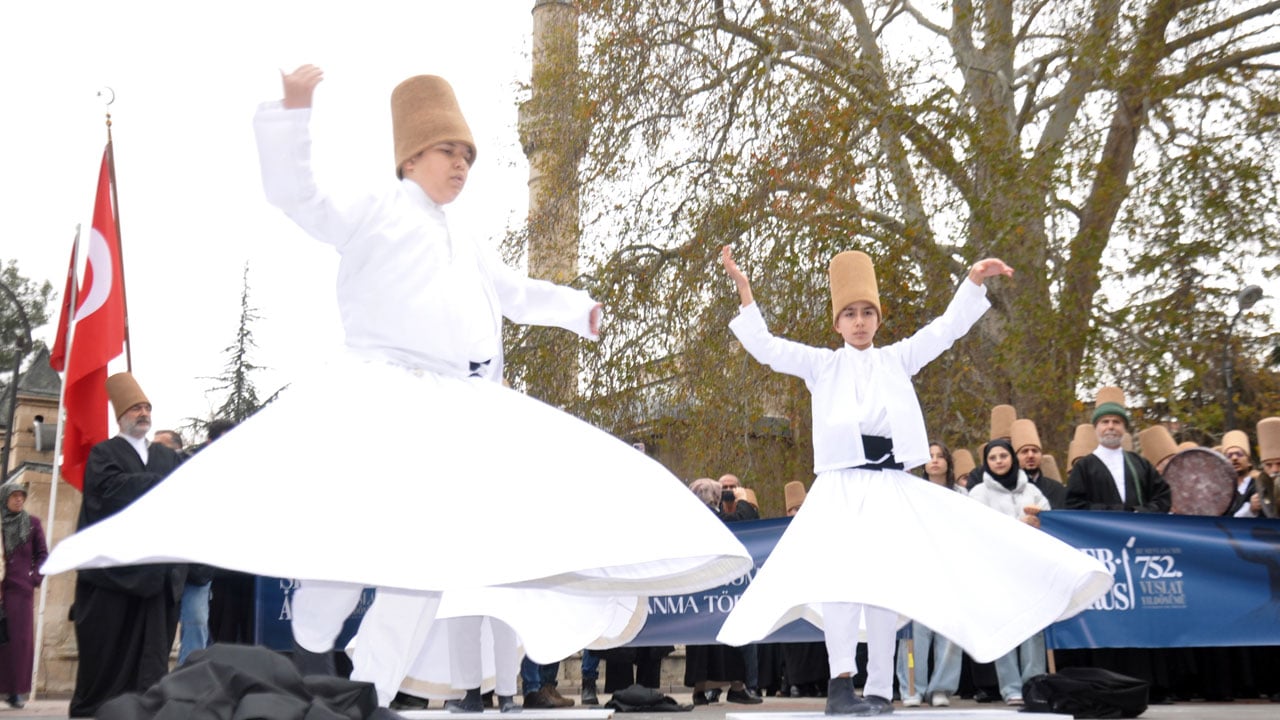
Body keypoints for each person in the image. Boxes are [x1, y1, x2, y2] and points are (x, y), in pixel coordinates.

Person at [42, 67, 752, 708]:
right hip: (378, 391)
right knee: (357, 521)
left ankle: (370, 687)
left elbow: (515, 292)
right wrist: (293, 113)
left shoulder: (467, 239)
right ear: (412, 156)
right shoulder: (377, 206)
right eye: (449, 152)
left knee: (434, 554)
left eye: (469, 156)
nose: (462, 166)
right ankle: (316, 634)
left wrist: (577, 308)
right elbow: (302, 196)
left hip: (455, 406)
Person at [715, 246, 1111, 715]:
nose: (859, 322)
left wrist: (973, 282)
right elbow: (767, 347)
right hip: (841, 488)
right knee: (839, 587)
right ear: (837, 324)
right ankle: (841, 686)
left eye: (867, 313)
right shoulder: (822, 366)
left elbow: (944, 330)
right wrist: (744, 289)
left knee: (886, 587)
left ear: (877, 320)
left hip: (888, 487)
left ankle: (880, 689)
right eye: (849, 314)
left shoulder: (898, 360)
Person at [68, 373, 187, 717]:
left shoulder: (167, 458)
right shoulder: (104, 453)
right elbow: (107, 494)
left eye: (146, 407)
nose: (143, 413)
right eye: (135, 408)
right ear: (120, 415)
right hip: (113, 579)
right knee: (106, 662)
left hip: (156, 579)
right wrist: (158, 484)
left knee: (150, 668)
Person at [966, 439, 1051, 706]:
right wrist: (1019, 523)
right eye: (993, 457)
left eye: (1004, 455)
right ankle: (1011, 687)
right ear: (986, 463)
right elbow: (978, 528)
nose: (999, 461)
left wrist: (1039, 521)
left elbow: (1051, 518)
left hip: (1030, 569)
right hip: (997, 569)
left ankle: (1034, 683)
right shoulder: (978, 493)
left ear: (1012, 459)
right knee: (1005, 626)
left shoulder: (1033, 491)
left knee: (1034, 628)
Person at [896, 442, 965, 707]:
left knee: (949, 632)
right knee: (914, 634)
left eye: (940, 456)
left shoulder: (962, 495)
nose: (935, 461)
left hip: (950, 570)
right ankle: (912, 686)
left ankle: (941, 688)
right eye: (930, 457)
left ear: (948, 462)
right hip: (919, 569)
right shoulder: (912, 492)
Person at [684, 478, 763, 705]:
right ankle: (737, 687)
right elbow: (744, 520)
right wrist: (742, 499)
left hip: (698, 592)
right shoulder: (716, 520)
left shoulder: (690, 522)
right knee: (728, 639)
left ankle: (699, 690)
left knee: (701, 643)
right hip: (722, 591)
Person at [151, 429, 213, 666]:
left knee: (196, 622)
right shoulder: (150, 474)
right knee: (158, 628)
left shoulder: (196, 471)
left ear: (177, 448)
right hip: (164, 567)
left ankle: (189, 679)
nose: (155, 450)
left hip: (196, 569)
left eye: (161, 446)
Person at [1065, 390, 1172, 514]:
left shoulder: (1140, 464)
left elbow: (1163, 498)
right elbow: (1074, 504)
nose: (1111, 426)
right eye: (1105, 422)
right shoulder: (1083, 466)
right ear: (1096, 428)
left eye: (1116, 422)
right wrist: (1117, 512)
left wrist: (1141, 512)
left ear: (1124, 428)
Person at [0, 482, 47, 709]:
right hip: (1, 588)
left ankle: (15, 690)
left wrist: (33, 578)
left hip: (20, 592)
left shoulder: (32, 524)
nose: (19, 500)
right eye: (14, 496)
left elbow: (42, 556)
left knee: (18, 642)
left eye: (22, 496)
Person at [1011, 418, 1066, 509]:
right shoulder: (1009, 489)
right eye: (1025, 451)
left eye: (1035, 451)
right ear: (1015, 458)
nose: (1030, 455)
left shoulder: (1057, 489)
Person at [1222, 429, 1265, 517]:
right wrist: (1250, 508)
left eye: (1239, 454)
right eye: (1229, 456)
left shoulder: (1258, 485)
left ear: (1249, 461)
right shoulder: (1221, 490)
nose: (1234, 458)